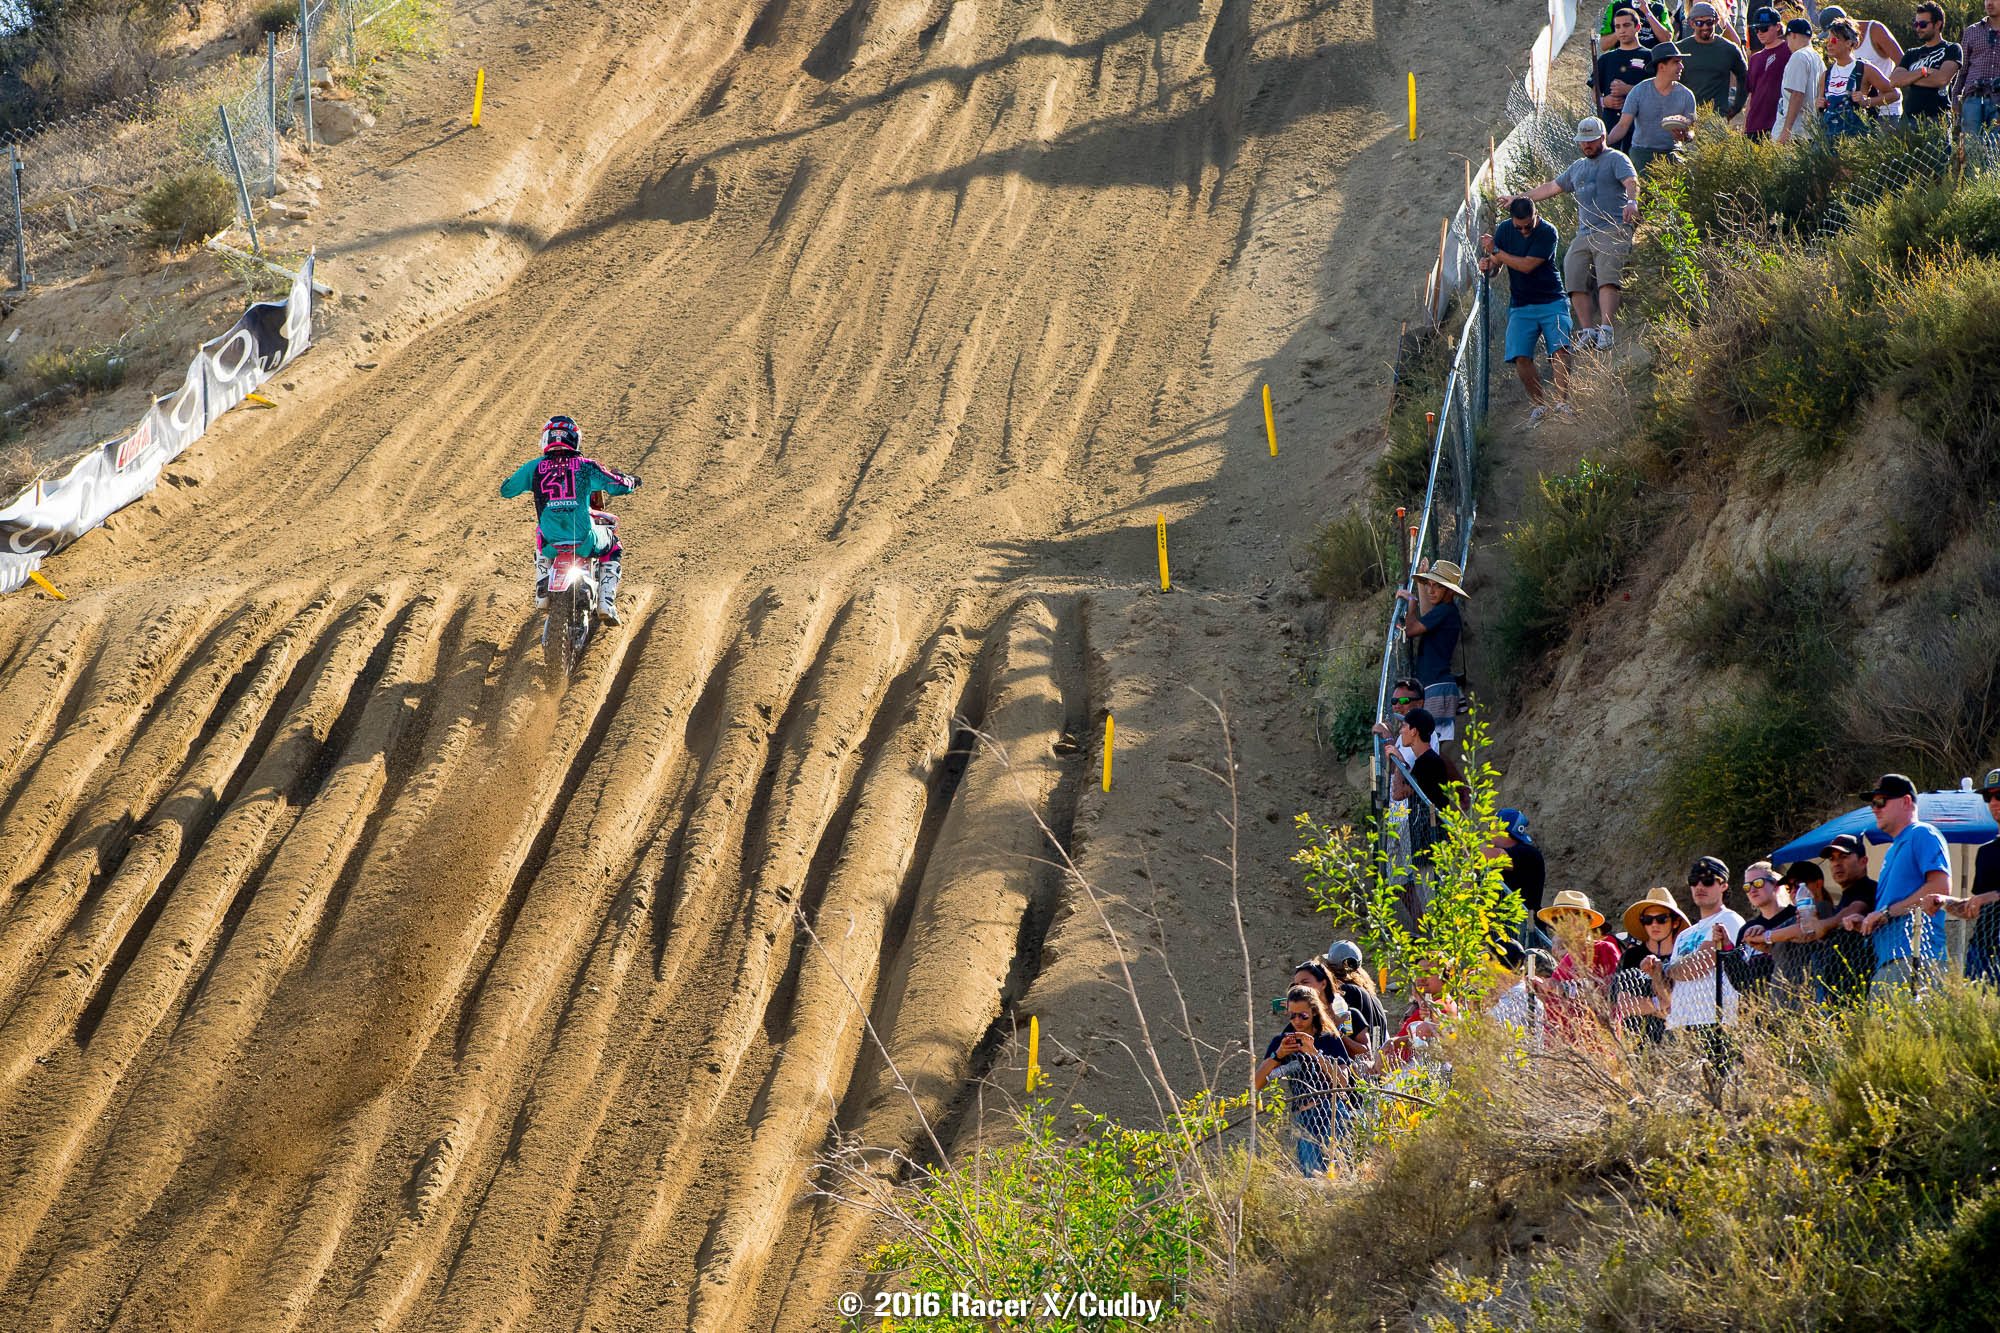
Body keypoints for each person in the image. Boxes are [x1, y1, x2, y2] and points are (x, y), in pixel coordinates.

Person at [1501, 117, 1639, 352]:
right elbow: (1551, 188)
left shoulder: (1616, 159)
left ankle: (1606, 330)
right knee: (1573, 273)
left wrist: (1632, 201)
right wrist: (1519, 198)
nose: (1586, 146)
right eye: (1583, 142)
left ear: (1602, 138)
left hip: (1612, 226)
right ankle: (1588, 331)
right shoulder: (1577, 167)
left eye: (1591, 141)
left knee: (1607, 276)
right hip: (1585, 232)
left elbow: (1631, 180)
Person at [499, 415, 641, 620]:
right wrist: (631, 481)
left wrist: (514, 480)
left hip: (551, 544)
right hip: (584, 540)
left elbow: (507, 490)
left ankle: (542, 585)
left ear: (547, 439)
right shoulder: (585, 466)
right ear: (575, 439)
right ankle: (605, 602)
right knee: (614, 545)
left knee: (540, 532)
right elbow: (617, 486)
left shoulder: (533, 467)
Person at [1641, 857, 1744, 1066]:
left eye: (1707, 881)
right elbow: (1668, 994)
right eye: (1694, 881)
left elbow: (1700, 964)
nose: (1699, 886)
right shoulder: (1684, 935)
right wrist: (1656, 972)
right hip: (1678, 1024)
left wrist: (1667, 968)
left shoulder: (1729, 920)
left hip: (1713, 1019)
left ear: (1723, 885)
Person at [1851, 773, 1949, 993]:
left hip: (1915, 957)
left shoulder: (1922, 833)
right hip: (1892, 960)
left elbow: (1940, 888)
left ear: (1906, 801)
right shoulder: (1895, 847)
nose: (1874, 808)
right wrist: (1869, 920)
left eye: (1880, 801)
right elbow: (1895, 907)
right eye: (1873, 803)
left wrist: (1885, 913)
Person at [1480, 198, 1572, 425]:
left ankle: (1563, 404)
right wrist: (1488, 266)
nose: (1522, 231)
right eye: (1518, 227)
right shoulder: (1504, 230)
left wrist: (1497, 252)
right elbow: (1496, 268)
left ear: (1536, 214)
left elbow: (1527, 266)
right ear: (1512, 220)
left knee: (1559, 349)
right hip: (1521, 304)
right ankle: (1540, 406)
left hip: (1552, 300)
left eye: (1527, 227)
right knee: (1520, 356)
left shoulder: (1548, 232)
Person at [1256, 985, 1352, 1175]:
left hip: (1332, 1112)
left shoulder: (1329, 1039)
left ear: (1314, 1012)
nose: (1297, 1021)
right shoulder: (1282, 1041)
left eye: (1303, 1016)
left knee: (1340, 1173)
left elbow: (1343, 1081)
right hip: (1304, 1116)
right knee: (1312, 1177)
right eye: (1292, 1015)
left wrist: (1314, 1053)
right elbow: (1257, 1083)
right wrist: (1278, 1055)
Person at [1931, 767, 2000, 983]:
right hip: (1982, 948)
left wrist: (1992, 896)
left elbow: (1988, 897)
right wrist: (1944, 901)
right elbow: (1974, 907)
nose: (1994, 802)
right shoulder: (1985, 851)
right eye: (1988, 797)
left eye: (1999, 795)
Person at [1396, 560, 1468, 740]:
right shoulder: (1445, 611)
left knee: (1428, 747)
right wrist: (1421, 583)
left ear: (1449, 591)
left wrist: (1412, 603)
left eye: (1437, 587)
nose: (1431, 591)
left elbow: (1411, 630)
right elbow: (1427, 615)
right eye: (1429, 585)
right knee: (1430, 748)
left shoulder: (1445, 611)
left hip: (1437, 687)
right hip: (1437, 686)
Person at [1611, 43, 1701, 175]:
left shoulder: (1686, 95)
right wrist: (1603, 143)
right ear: (1661, 66)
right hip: (1642, 154)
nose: (1681, 66)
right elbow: (1623, 125)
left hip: (1673, 153)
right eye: (1676, 62)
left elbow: (1693, 130)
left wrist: (1685, 136)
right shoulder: (1639, 91)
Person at [1615, 887, 1687, 1043]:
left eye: (1661, 919)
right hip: (1636, 1043)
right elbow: (1623, 1004)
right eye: (1648, 920)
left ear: (1675, 922)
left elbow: (1686, 1005)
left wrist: (1644, 1004)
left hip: (1677, 1041)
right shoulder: (1631, 956)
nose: (1654, 924)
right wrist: (1661, 1003)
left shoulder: (1683, 955)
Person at [1725, 861, 1802, 1001]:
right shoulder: (1746, 930)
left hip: (1796, 999)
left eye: (1758, 883)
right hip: (1760, 1009)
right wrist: (1727, 948)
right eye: (1747, 886)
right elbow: (1740, 980)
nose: (1752, 889)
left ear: (1776, 885)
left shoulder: (1796, 916)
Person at [1818, 4, 1906, 119]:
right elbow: (1823, 107)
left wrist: (1868, 101)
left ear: (1848, 42)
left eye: (1834, 39)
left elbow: (1903, 63)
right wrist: (1820, 105)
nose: (1829, 44)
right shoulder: (1827, 74)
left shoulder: (1875, 31)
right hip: (1842, 126)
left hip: (1885, 113)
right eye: (1827, 40)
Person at [1595, 7, 1664, 151]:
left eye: (1626, 25)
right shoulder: (1606, 59)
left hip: (1642, 127)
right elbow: (1595, 91)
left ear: (1638, 27)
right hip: (1611, 124)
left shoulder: (1651, 57)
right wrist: (1604, 101)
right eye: (1617, 27)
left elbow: (1661, 91)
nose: (1621, 30)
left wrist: (1629, 90)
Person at [1888, 3, 1962, 121]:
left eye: (1923, 24)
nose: (1918, 28)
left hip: (1938, 119)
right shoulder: (1911, 53)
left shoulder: (1952, 49)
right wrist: (1924, 71)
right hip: (1909, 118)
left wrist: (1909, 79)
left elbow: (1942, 79)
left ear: (1938, 24)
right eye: (1916, 24)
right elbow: (1894, 81)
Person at [1681, 2, 1752, 119]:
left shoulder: (1729, 48)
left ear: (1716, 21)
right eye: (1699, 23)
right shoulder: (1681, 48)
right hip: (1687, 116)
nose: (1704, 27)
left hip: (1717, 118)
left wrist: (1736, 106)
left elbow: (1744, 76)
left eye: (1709, 22)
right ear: (1692, 24)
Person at [1323, 941, 1391, 1058]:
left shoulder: (1345, 992)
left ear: (1329, 968)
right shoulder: (1373, 998)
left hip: (1358, 1067)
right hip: (1376, 1066)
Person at [1487, 806, 1548, 931]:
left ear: (1502, 829)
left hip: (1524, 930)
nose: (1488, 830)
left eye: (1491, 825)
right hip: (1505, 928)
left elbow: (1489, 855)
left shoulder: (1528, 853)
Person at [1743, 7, 1796, 138]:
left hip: (1777, 124)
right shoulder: (1755, 58)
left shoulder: (1789, 51)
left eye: (1764, 28)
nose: (1759, 32)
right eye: (1756, 29)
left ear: (1778, 26)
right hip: (1753, 125)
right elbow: (1752, 95)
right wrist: (1745, 125)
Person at [1778, 18, 1828, 143]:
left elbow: (1797, 94)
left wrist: (1786, 131)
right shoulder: (1818, 58)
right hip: (1811, 130)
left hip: (1796, 132)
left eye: (1787, 38)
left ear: (1793, 35)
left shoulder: (1799, 56)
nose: (1787, 43)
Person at [1397, 707, 1455, 815]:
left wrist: (1398, 762)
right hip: (1430, 829)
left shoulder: (1427, 762)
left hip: (1433, 829)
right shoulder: (1425, 760)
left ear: (1413, 731)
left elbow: (1399, 794)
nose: (1401, 731)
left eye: (1404, 726)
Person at [1961, 0, 2000, 145]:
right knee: (1971, 148)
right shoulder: (1972, 31)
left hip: (1998, 99)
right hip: (1973, 97)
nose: (1990, 3)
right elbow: (1963, 68)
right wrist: (1954, 97)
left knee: (1995, 151)